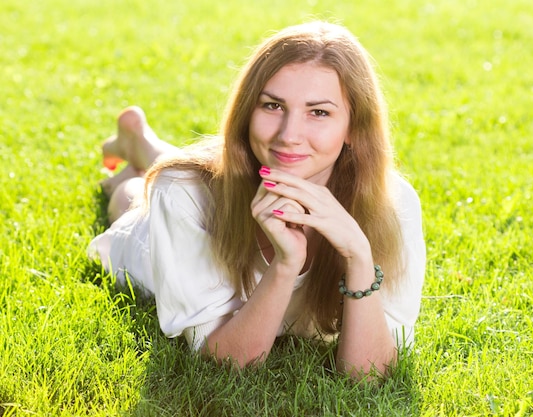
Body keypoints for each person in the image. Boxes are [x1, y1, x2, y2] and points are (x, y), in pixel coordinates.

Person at [89, 21, 426, 378]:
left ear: (354, 128)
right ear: (247, 112)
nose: (289, 135)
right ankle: (130, 162)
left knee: (173, 178)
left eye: (319, 112)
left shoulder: (394, 203)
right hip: (152, 244)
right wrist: (286, 264)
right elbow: (224, 364)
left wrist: (358, 254)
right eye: (273, 106)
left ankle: (137, 140)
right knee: (131, 200)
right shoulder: (183, 192)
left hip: (208, 184)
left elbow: (370, 373)